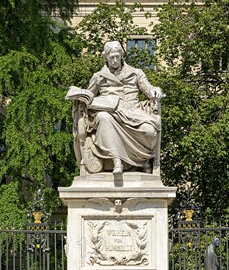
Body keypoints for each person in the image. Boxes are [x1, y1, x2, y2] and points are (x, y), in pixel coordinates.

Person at [66, 41, 163, 174]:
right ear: (105, 57)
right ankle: (116, 160)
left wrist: (155, 91)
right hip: (110, 112)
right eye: (112, 57)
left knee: (150, 132)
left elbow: (149, 88)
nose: (115, 60)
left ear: (122, 55)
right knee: (103, 117)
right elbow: (90, 94)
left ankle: (142, 160)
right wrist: (81, 97)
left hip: (133, 111)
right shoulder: (98, 76)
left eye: (117, 56)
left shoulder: (136, 73)